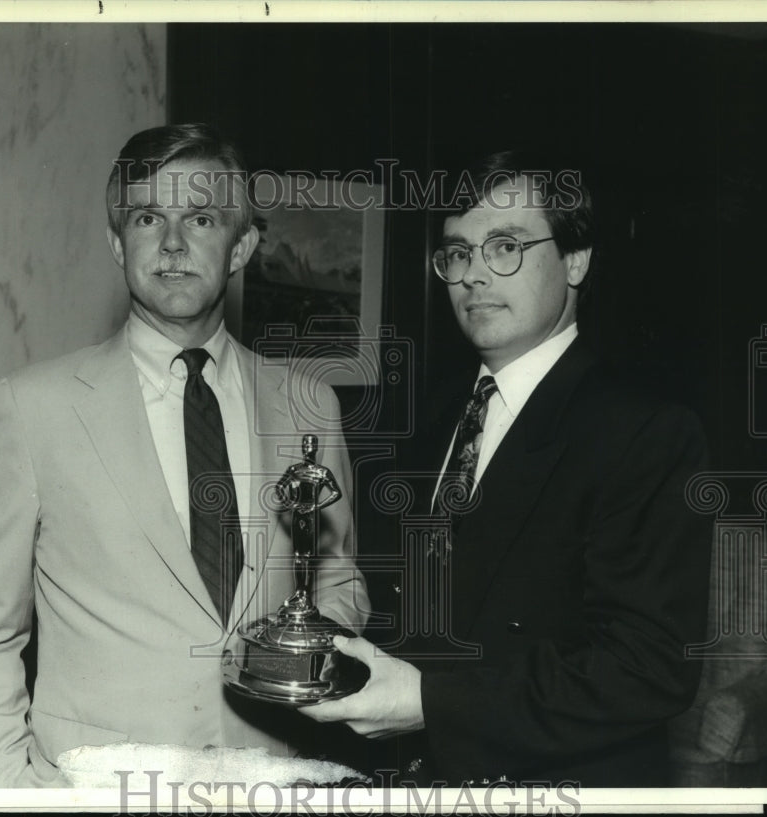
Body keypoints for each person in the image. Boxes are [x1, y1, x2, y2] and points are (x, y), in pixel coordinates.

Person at [0, 124, 369, 788]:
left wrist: (302, 649)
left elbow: (338, 581)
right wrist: (11, 798)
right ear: (118, 243)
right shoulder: (32, 408)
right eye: (147, 217)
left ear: (242, 245)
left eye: (200, 218)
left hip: (276, 783)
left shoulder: (309, 406)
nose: (172, 243)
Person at [302, 150, 712, 787]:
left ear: (576, 260)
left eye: (506, 247)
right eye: (458, 254)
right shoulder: (430, 422)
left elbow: (647, 668)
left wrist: (427, 704)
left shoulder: (644, 431)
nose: (473, 276)